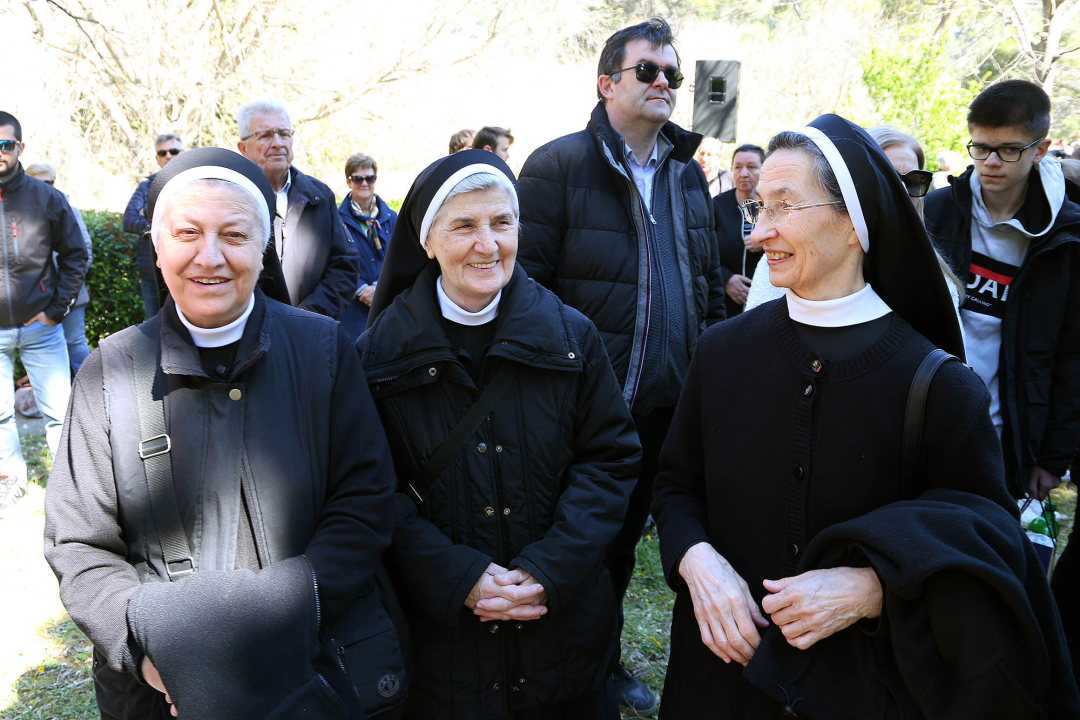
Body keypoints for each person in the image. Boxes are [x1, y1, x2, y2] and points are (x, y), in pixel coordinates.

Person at [651, 114, 1080, 719]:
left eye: (783, 207)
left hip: (861, 689)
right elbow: (675, 486)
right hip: (718, 681)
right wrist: (696, 561)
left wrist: (875, 586)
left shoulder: (936, 383)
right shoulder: (722, 352)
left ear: (854, 222)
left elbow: (987, 541)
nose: (758, 232)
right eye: (758, 209)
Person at [44, 148, 399, 719]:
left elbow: (365, 501)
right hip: (158, 690)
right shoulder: (107, 372)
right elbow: (80, 543)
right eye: (187, 233)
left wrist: (284, 621)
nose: (209, 257)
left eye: (234, 234)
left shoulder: (324, 350)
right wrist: (155, 654)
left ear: (263, 249)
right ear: (157, 248)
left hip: (314, 665)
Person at [363, 150, 640, 719]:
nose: (488, 245)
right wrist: (457, 576)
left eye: (502, 223)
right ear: (427, 241)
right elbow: (368, 489)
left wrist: (548, 571)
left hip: (559, 631)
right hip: (442, 645)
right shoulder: (376, 357)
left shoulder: (572, 336)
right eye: (464, 225)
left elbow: (609, 461)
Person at [516, 17, 724, 715]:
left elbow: (706, 281)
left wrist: (711, 383)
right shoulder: (556, 166)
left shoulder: (688, 175)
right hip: (583, 410)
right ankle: (570, 676)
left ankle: (600, 667)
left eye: (673, 75)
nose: (665, 84)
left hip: (668, 408)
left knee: (625, 547)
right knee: (580, 548)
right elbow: (528, 291)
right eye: (649, 72)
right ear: (607, 83)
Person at [924, 80, 1080, 503]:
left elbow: (1070, 353)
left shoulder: (1065, 237)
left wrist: (1051, 457)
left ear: (1041, 149)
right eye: (980, 147)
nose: (990, 162)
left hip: (1006, 438)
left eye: (1009, 149)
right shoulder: (936, 212)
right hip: (925, 424)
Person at [0, 112, 88, 514]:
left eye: (6, 145)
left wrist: (56, 311)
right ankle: (10, 482)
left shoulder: (46, 198)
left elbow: (76, 254)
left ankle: (70, 491)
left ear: (20, 147)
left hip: (41, 328)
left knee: (59, 412)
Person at [236, 99, 360, 319]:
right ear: (243, 148)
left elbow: (344, 265)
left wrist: (306, 315)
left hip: (312, 330)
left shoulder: (319, 196)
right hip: (250, 328)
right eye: (265, 135)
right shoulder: (230, 201)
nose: (277, 143)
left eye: (284, 134)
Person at [25, 162, 93, 375]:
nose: (47, 187)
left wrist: (65, 284)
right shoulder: (18, 212)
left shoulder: (69, 210)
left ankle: (91, 396)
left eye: (50, 182)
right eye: (40, 183)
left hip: (69, 293)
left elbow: (85, 252)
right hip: (34, 296)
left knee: (75, 343)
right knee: (40, 350)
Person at [123, 133, 184, 319]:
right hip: (152, 269)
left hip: (187, 265)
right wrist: (165, 230)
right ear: (157, 158)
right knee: (154, 323)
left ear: (183, 153)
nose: (168, 156)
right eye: (162, 152)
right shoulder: (146, 187)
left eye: (174, 151)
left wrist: (150, 221)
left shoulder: (197, 183)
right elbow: (129, 220)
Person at [338, 153, 397, 338]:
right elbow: (334, 259)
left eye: (370, 178)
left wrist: (379, 288)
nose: (364, 183)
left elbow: (399, 257)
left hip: (387, 305)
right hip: (351, 309)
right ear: (349, 182)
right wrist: (361, 288)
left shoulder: (391, 218)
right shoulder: (336, 219)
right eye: (357, 179)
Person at [713, 144, 763, 316]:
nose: (744, 173)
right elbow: (699, 251)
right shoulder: (716, 206)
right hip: (723, 304)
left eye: (751, 167)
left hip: (766, 303)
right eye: (738, 167)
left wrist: (764, 243)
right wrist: (725, 278)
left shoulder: (776, 206)